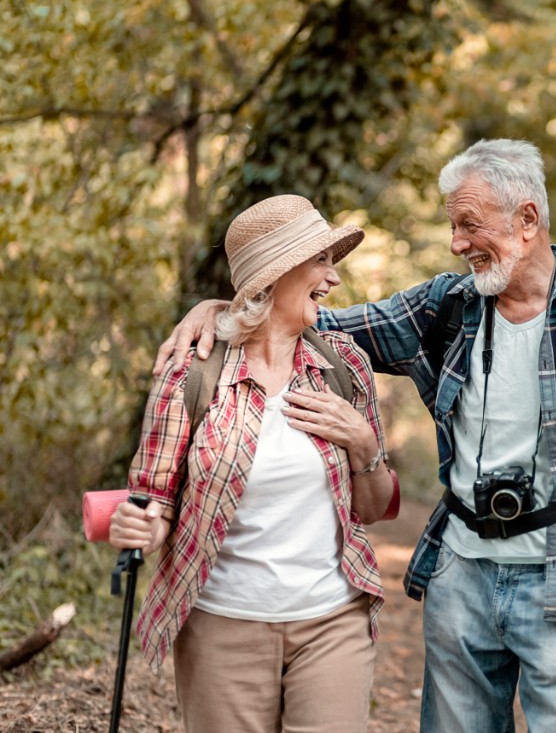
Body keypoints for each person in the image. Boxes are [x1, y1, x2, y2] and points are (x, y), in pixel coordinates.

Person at [157, 139, 556, 733]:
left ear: (527, 221)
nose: (457, 243)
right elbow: (306, 320)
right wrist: (223, 307)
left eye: (469, 224)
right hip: (461, 576)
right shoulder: (445, 306)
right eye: (453, 226)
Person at [112, 195, 394, 733]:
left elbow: (374, 508)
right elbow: (153, 499)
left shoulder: (343, 365)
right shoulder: (192, 374)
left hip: (332, 621)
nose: (333, 278)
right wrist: (141, 524)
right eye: (320, 261)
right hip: (222, 626)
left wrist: (363, 443)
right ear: (277, 272)